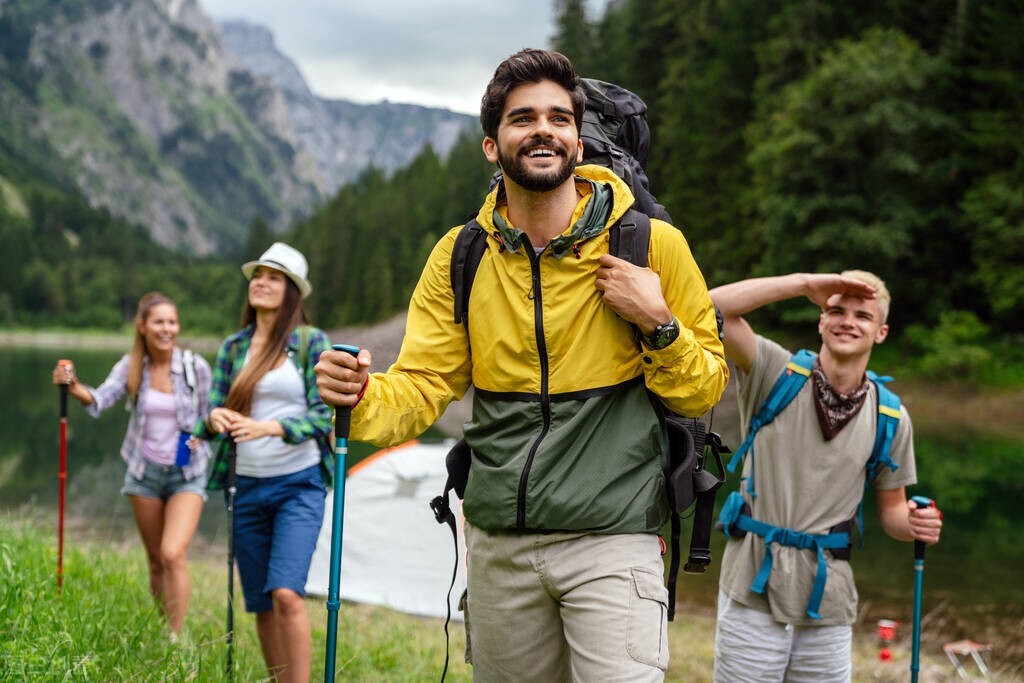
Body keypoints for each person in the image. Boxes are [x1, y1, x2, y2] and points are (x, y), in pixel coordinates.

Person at [315, 49, 727, 681]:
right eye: (523, 118)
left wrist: (658, 322)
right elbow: (425, 385)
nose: (544, 130)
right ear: (492, 145)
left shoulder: (649, 245)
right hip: (498, 541)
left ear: (577, 139)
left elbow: (702, 389)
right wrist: (361, 395)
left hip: (614, 536)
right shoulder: (461, 256)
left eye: (560, 118)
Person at [708, 271, 944, 682]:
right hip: (751, 587)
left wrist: (915, 524)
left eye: (862, 315)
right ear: (821, 321)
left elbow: (893, 515)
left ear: (881, 332)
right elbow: (709, 307)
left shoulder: (890, 416)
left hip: (828, 602)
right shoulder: (775, 372)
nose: (847, 321)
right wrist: (801, 283)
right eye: (836, 310)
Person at [196, 242, 331, 683]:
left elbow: (323, 415)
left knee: (287, 593)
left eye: (273, 277)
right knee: (260, 602)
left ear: (292, 290)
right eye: (257, 275)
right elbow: (211, 411)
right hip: (245, 486)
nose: (261, 282)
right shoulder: (234, 347)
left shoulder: (312, 343)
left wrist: (269, 428)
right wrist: (214, 418)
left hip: (299, 484)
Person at [52, 292, 212, 639]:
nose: (166, 328)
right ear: (143, 326)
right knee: (155, 559)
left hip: (187, 472)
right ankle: (161, 628)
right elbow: (101, 399)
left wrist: (205, 433)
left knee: (173, 553)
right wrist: (73, 385)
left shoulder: (195, 366)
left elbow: (210, 414)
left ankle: (175, 639)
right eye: (159, 322)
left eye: (172, 321)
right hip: (144, 473)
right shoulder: (131, 366)